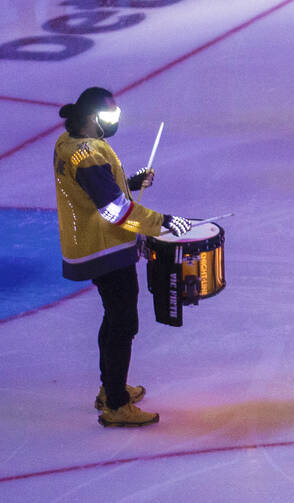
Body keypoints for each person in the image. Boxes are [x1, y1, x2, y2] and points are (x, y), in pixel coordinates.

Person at [53, 87, 192, 428]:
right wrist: (163, 222)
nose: (114, 122)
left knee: (114, 318)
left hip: (92, 244)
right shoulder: (88, 155)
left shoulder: (67, 144)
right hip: (106, 249)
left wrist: (129, 182)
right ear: (91, 118)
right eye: (109, 117)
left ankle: (109, 388)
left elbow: (93, 191)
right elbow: (115, 210)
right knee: (124, 323)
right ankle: (116, 404)